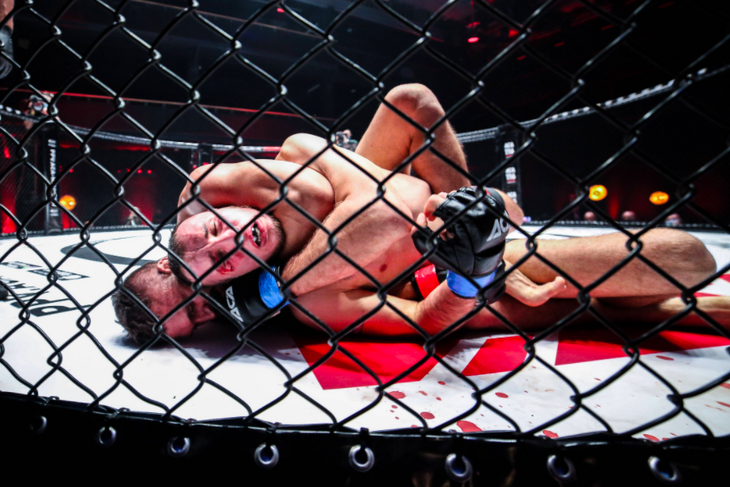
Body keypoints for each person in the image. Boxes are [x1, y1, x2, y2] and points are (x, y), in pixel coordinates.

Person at [114, 85, 723, 342]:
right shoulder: (310, 304)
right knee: (678, 264)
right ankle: (487, 233)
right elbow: (428, 319)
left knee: (408, 102)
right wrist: (474, 275)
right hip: (449, 269)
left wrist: (276, 285)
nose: (210, 304)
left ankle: (479, 213)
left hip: (428, 216)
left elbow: (394, 206)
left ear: (171, 258)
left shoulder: (248, 192)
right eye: (203, 312)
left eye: (192, 293)